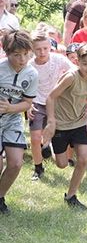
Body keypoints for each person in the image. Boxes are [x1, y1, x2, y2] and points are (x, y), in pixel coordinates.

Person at [41, 43, 87, 209]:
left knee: (83, 159)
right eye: (85, 64)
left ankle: (71, 196)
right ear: (78, 62)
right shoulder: (70, 77)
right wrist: (51, 121)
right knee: (62, 164)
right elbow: (51, 98)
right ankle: (50, 147)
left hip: (79, 123)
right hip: (61, 124)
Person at [0, 31, 38, 214]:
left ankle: (0, 197)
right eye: (17, 55)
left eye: (26, 54)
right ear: (7, 52)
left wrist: (9, 109)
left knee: (16, 163)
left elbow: (27, 103)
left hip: (12, 120)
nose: (22, 59)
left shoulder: (31, 73)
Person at [28, 29, 73, 180]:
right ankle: (38, 167)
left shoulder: (58, 59)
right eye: (38, 49)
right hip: (37, 103)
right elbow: (23, 86)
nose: (42, 52)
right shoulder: (29, 66)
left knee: (56, 137)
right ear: (32, 49)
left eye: (45, 48)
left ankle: (53, 148)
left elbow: (74, 72)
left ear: (50, 47)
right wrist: (27, 105)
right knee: (35, 137)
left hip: (56, 102)